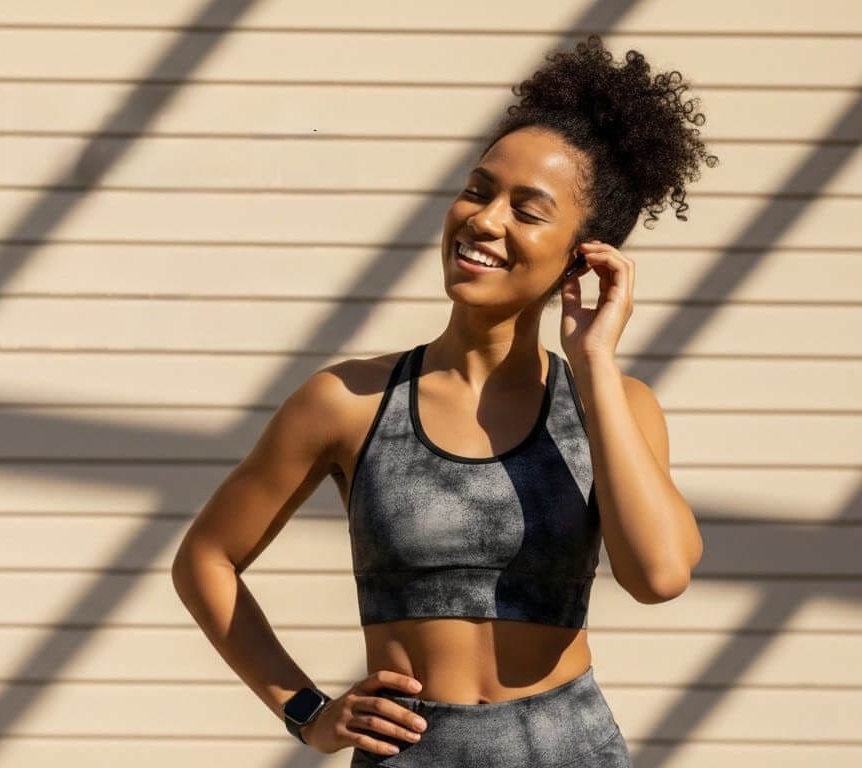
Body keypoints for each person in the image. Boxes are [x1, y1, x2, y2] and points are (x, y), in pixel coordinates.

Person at [171, 35, 713, 767]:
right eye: (478, 190)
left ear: (582, 257)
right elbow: (206, 559)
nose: (485, 220)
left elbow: (659, 576)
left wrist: (593, 360)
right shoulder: (347, 401)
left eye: (528, 211)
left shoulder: (615, 404)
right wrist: (308, 713)